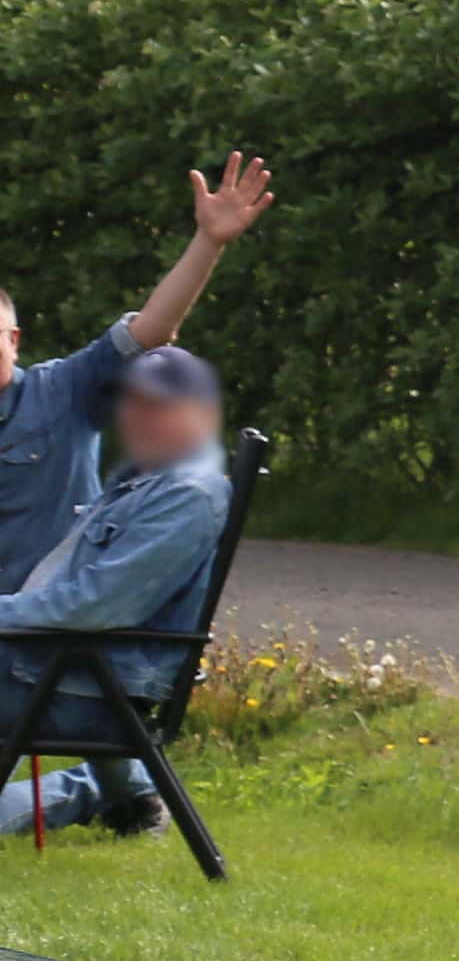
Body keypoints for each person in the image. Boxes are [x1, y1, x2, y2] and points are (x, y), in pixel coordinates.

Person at [0, 155, 275, 590]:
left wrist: (209, 240)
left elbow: (150, 331)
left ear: (14, 340)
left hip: (35, 637)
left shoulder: (60, 392)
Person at [0, 348, 235, 840]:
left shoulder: (187, 497)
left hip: (77, 683)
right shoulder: (137, 484)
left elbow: (93, 605)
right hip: (45, 665)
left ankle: (96, 789)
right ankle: (124, 793)